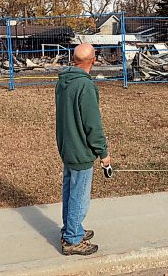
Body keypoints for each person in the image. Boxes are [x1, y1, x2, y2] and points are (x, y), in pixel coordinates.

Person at [55, 43, 111, 256]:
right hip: (81, 150)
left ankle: (72, 229)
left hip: (67, 146)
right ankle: (72, 240)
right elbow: (92, 125)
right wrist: (103, 153)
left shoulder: (63, 82)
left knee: (70, 191)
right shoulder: (85, 86)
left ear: (74, 60)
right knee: (79, 196)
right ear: (93, 61)